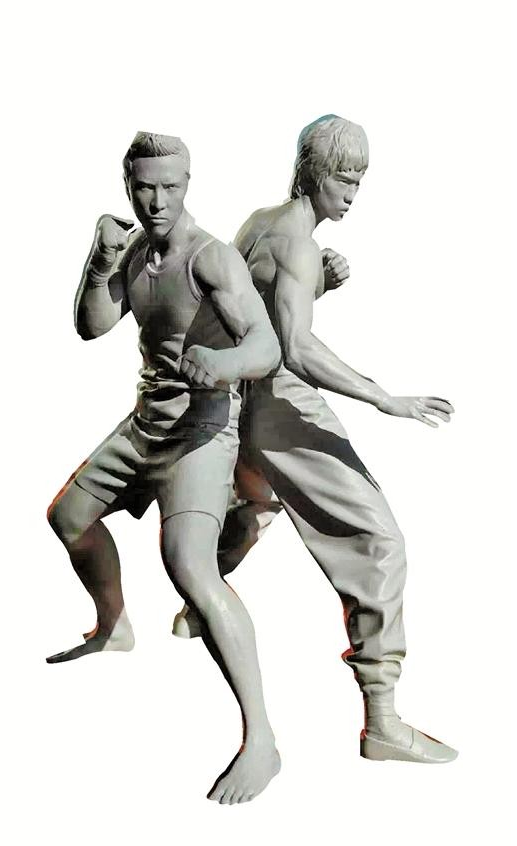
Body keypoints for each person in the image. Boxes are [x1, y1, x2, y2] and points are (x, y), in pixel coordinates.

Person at [173, 115, 458, 764]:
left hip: (238, 399)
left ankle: (198, 606)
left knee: (259, 502)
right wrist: (385, 397)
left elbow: (255, 311)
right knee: (379, 543)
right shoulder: (297, 245)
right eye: (343, 179)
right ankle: (382, 722)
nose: (353, 193)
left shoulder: (261, 222)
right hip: (277, 402)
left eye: (360, 180)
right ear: (312, 173)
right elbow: (296, 347)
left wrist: (318, 282)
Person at [47, 132, 282, 803]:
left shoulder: (211, 258)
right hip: (147, 424)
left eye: (170, 187)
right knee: (68, 517)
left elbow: (264, 344)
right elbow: (92, 325)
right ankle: (114, 626)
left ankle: (262, 741)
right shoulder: (136, 251)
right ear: (128, 185)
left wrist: (226, 362)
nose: (156, 201)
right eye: (145, 187)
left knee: (189, 569)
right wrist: (99, 262)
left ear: (188, 184)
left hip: (203, 432)